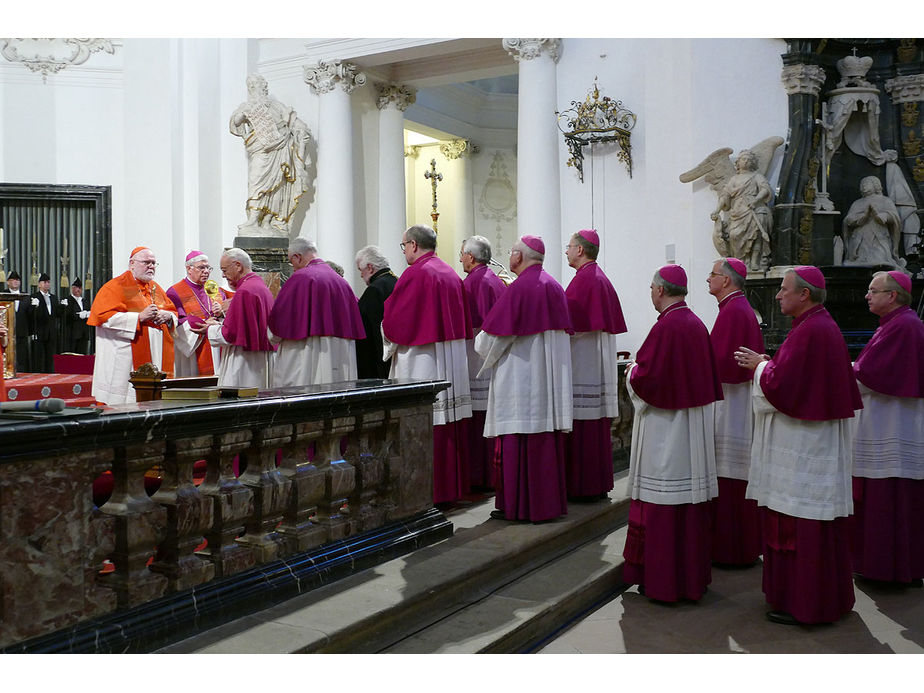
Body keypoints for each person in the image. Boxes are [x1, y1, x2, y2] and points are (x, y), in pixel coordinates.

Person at [737, 266, 862, 625]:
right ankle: (822, 598)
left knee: (803, 523)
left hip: (806, 448)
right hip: (811, 443)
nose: (777, 295)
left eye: (784, 289)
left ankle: (807, 603)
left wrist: (759, 367)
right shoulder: (814, 326)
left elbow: (784, 388)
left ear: (804, 294)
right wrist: (767, 364)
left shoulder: (812, 330)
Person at [622, 265, 723, 603]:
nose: (650, 293)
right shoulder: (695, 323)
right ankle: (690, 579)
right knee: (687, 506)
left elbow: (647, 380)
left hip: (665, 434)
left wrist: (632, 370)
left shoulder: (667, 327)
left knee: (663, 503)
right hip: (691, 430)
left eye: (651, 287)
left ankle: (663, 582)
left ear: (662, 290)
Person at [475, 235, 573, 522]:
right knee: (543, 442)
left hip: (521, 380)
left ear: (518, 256)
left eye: (511, 252)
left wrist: (479, 345)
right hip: (547, 383)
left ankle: (518, 505)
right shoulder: (553, 285)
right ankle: (546, 505)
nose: (509, 256)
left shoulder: (520, 289)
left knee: (519, 439)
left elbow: (491, 340)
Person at [382, 224, 473, 506]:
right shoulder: (449, 272)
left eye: (403, 246)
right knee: (447, 423)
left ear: (412, 245)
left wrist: (384, 330)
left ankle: (425, 492)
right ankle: (450, 489)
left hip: (424, 360)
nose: (404, 251)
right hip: (450, 358)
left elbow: (397, 322)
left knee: (425, 423)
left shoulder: (416, 273)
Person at [850, 270, 924, 585]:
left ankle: (887, 569)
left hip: (891, 425)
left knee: (888, 499)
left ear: (892, 296)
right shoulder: (896, 324)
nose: (867, 295)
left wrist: (843, 370)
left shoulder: (903, 326)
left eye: (873, 290)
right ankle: (887, 566)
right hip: (888, 422)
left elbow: (871, 375)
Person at [706, 257, 765, 566]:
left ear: (726, 280)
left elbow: (720, 364)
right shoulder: (736, 308)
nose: (708, 279)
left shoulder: (733, 312)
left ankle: (731, 549)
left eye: (713, 274)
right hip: (735, 403)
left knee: (729, 476)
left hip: (732, 408)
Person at [563, 229, 627, 502]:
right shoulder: (597, 278)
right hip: (594, 365)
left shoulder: (585, 281)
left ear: (580, 250)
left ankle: (582, 486)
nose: (566, 251)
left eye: (569, 246)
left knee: (584, 428)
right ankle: (597, 483)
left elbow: (570, 326)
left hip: (583, 366)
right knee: (596, 427)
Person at [268, 238, 364, 387]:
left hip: (307, 353)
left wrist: (271, 336)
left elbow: (280, 321)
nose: (293, 267)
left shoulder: (300, 278)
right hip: (340, 353)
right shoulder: (341, 282)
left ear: (297, 257)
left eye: (291, 262)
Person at [88, 247, 178, 405]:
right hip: (126, 357)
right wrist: (138, 317)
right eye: (146, 262)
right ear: (132, 264)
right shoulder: (116, 286)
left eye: (153, 263)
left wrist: (168, 316)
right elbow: (103, 318)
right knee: (126, 404)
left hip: (156, 355)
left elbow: (172, 311)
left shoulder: (155, 288)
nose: (151, 266)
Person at [229, 74, 311, 235]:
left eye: (260, 85)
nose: (258, 88)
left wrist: (300, 130)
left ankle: (267, 220)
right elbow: (236, 122)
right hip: (260, 150)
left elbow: (295, 124)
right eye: (253, 86)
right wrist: (243, 115)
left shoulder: (276, 106)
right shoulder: (247, 106)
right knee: (256, 182)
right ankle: (253, 219)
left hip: (280, 150)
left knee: (277, 188)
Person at [460, 235, 507, 491]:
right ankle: (492, 476)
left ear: (471, 256)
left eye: (462, 254)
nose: (460, 259)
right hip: (491, 359)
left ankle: (479, 477)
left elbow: (474, 324)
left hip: (476, 358)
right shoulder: (494, 279)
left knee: (478, 421)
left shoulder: (474, 281)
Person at [206, 248, 275, 388]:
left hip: (244, 362)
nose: (223, 275)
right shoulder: (259, 285)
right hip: (260, 359)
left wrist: (209, 329)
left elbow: (230, 334)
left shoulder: (244, 291)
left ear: (238, 266)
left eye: (225, 270)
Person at [166, 251, 229, 377]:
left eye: (208, 268)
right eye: (202, 267)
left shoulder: (214, 289)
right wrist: (205, 323)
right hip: (194, 348)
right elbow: (178, 323)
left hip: (215, 346)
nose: (206, 271)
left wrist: (221, 312)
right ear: (189, 269)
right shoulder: (175, 292)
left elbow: (225, 316)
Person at [711, 149, 773, 272]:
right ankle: (741, 262)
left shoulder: (757, 177)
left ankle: (755, 261)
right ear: (738, 163)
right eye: (743, 159)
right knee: (734, 235)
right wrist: (717, 210)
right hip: (738, 211)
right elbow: (725, 195)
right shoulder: (734, 179)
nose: (746, 161)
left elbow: (765, 189)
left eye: (749, 159)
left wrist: (755, 200)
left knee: (756, 235)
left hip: (754, 208)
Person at [842, 176, 905, 271]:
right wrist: (864, 216)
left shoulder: (886, 200)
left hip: (879, 237)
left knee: (880, 260)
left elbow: (894, 218)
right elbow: (848, 221)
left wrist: (880, 216)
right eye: (861, 184)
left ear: (876, 185)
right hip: (860, 238)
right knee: (859, 262)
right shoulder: (857, 203)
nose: (863, 186)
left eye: (866, 184)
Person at [354, 245, 397, 379]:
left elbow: (372, 331)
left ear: (370, 268)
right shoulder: (398, 281)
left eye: (360, 270)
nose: (361, 275)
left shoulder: (374, 290)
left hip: (379, 363)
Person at [29, 272, 60, 373]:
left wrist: (63, 308)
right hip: (39, 331)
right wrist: (34, 307)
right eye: (44, 282)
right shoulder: (34, 297)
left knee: (50, 355)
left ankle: (49, 373)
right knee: (39, 355)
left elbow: (57, 314)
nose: (47, 284)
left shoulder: (54, 297)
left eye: (48, 282)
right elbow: (30, 314)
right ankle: (38, 373)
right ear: (39, 284)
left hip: (51, 331)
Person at [5, 270, 32, 372]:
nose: (16, 282)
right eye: (13, 280)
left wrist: (34, 307)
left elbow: (29, 315)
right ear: (8, 282)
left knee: (22, 353)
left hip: (22, 330)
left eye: (17, 280)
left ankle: (22, 371)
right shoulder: (4, 294)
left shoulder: (26, 296)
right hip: (8, 329)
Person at [61, 277, 92, 355]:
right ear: (72, 288)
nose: (78, 290)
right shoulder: (67, 300)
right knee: (72, 355)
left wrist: (88, 314)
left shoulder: (85, 301)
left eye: (80, 288)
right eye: (76, 288)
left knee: (82, 354)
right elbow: (67, 315)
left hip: (84, 333)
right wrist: (79, 316)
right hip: (72, 333)